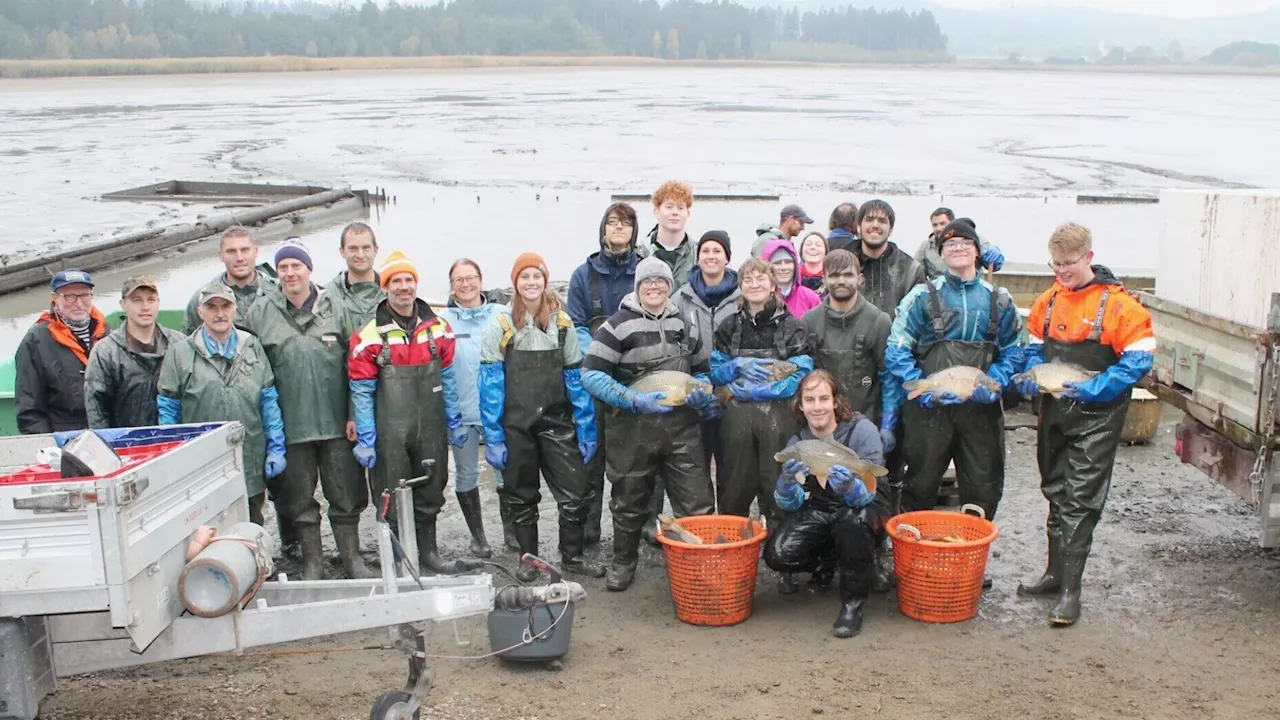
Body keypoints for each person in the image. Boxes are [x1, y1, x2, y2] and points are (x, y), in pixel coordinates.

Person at [1015, 222, 1155, 626]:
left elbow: (1140, 359)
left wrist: (1097, 387)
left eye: (1070, 264)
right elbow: (1034, 349)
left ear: (1088, 258)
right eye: (1055, 264)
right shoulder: (1048, 301)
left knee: (1080, 499)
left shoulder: (1120, 306)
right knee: (1054, 488)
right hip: (1055, 412)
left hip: (1098, 417)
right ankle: (1054, 574)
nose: (1062, 271)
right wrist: (1032, 374)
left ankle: (1071, 592)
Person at [582, 257, 717, 591]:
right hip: (631, 430)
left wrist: (703, 394)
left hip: (682, 428)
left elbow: (701, 370)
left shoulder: (686, 323)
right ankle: (623, 563)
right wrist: (630, 399)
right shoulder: (616, 325)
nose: (654, 287)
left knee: (697, 501)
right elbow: (591, 374)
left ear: (669, 286)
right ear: (637, 287)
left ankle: (699, 562)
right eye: (647, 282)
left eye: (660, 281)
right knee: (628, 501)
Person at [245, 239, 374, 580]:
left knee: (346, 493)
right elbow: (253, 366)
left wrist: (353, 414)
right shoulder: (260, 312)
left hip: (336, 423)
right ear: (278, 273)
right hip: (291, 426)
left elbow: (357, 363)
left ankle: (352, 558)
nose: (290, 273)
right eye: (283, 267)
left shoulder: (336, 306)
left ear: (309, 270)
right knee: (298, 499)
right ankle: (313, 562)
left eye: (296, 265)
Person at [886, 219, 1024, 532]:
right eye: (950, 245)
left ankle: (969, 558)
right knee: (919, 485)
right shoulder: (921, 297)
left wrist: (995, 383)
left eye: (965, 243)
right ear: (941, 254)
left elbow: (1015, 352)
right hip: (929, 413)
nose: (958, 248)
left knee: (982, 486)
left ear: (977, 251)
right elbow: (896, 351)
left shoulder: (998, 300)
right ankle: (914, 559)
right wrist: (922, 390)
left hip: (980, 412)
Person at [479, 254, 604, 581]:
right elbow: (490, 383)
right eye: (525, 277)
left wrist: (587, 427)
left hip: (556, 422)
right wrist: (493, 435)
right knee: (521, 497)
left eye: (537, 276)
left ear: (545, 282)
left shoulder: (562, 324)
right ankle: (529, 559)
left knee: (577, 492)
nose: (531, 282)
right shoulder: (502, 325)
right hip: (516, 425)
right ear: (515, 283)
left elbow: (576, 378)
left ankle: (572, 558)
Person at [349, 250, 467, 574]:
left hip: (430, 423)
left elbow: (448, 378)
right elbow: (361, 389)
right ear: (385, 287)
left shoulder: (439, 329)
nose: (403, 287)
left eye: (408, 280)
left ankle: (428, 552)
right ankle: (400, 557)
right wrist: (367, 438)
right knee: (390, 493)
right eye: (396, 281)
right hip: (391, 430)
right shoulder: (368, 336)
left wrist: (454, 420)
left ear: (416, 284)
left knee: (432, 487)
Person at [766, 370, 888, 638]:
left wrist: (850, 486)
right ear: (800, 404)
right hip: (821, 508)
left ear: (835, 402)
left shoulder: (862, 430)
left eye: (823, 398)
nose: (817, 406)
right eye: (810, 400)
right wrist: (787, 481)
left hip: (863, 510)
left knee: (852, 523)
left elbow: (870, 494)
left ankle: (853, 605)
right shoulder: (797, 443)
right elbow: (789, 503)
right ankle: (827, 561)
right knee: (777, 553)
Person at [158, 283, 286, 527]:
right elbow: (168, 409)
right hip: (202, 460)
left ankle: (253, 562)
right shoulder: (180, 353)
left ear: (234, 309)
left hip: (249, 452)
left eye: (225, 306)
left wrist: (276, 447)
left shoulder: (252, 345)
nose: (219, 313)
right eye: (212, 307)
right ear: (200, 312)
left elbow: (268, 400)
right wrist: (173, 456)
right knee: (208, 523)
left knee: (251, 520)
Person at [709, 258, 812, 529]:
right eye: (748, 279)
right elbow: (715, 371)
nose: (754, 284)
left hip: (779, 420)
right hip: (736, 421)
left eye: (761, 279)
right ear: (740, 286)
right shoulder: (728, 326)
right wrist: (733, 369)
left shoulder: (792, 326)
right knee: (734, 484)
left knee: (778, 481)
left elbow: (804, 371)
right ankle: (732, 542)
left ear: (773, 285)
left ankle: (782, 548)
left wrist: (775, 387)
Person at [567, 202, 642, 546]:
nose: (619, 228)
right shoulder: (584, 275)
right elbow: (578, 326)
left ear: (634, 231)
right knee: (591, 457)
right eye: (613, 222)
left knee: (634, 458)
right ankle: (589, 527)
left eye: (626, 224)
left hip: (635, 374)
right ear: (603, 229)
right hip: (595, 374)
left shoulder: (643, 270)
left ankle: (638, 526)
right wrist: (600, 361)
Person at [442, 258, 504, 557]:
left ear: (481, 279)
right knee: (466, 473)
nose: (466, 284)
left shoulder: (501, 314)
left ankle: (514, 535)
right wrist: (448, 415)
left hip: (499, 411)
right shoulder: (443, 322)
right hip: (462, 412)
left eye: (471, 278)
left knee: (506, 473)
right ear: (451, 285)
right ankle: (478, 537)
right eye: (459, 280)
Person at [674, 231, 740, 473]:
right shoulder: (681, 297)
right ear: (698, 257)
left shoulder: (741, 295)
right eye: (705, 251)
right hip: (693, 390)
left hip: (732, 391)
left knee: (731, 468)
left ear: (727, 258)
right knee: (694, 467)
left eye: (717, 251)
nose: (710, 256)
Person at [85, 276, 184, 429]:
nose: (145, 307)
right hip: (127, 443)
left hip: (174, 439)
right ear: (123, 304)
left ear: (158, 303)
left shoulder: (178, 344)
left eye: (151, 300)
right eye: (137, 300)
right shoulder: (106, 351)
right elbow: (96, 409)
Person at [16, 269, 107, 434]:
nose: (79, 303)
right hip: (63, 436)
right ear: (55, 298)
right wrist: (49, 446)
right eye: (70, 296)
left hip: (107, 432)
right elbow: (29, 410)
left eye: (84, 295)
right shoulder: (35, 341)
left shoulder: (105, 331)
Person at [182, 226, 277, 334]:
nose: (239, 258)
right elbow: (188, 341)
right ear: (221, 256)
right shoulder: (203, 298)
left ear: (255, 252)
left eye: (245, 250)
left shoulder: (278, 291)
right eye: (231, 251)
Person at [853, 200, 926, 317]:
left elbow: (919, 318)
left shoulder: (911, 270)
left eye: (882, 221)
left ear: (891, 230)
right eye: (869, 219)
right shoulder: (841, 265)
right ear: (858, 227)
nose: (875, 225)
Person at [636, 180, 697, 291]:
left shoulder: (699, 254)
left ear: (688, 213)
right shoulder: (639, 253)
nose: (675, 212)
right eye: (669, 207)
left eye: (680, 208)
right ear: (656, 211)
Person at [328, 221, 386, 336]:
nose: (360, 255)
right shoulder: (327, 296)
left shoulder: (392, 290)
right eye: (353, 249)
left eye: (366, 248)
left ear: (376, 250)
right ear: (342, 251)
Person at [915, 209, 1005, 281]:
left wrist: (994, 257)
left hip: (973, 291)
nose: (939, 228)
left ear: (952, 223)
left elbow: (993, 266)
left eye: (943, 224)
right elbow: (916, 274)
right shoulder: (926, 247)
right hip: (939, 296)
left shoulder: (972, 239)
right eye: (935, 225)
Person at [762, 239, 821, 318]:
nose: (783, 267)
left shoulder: (810, 297)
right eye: (777, 263)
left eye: (788, 262)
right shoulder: (761, 298)